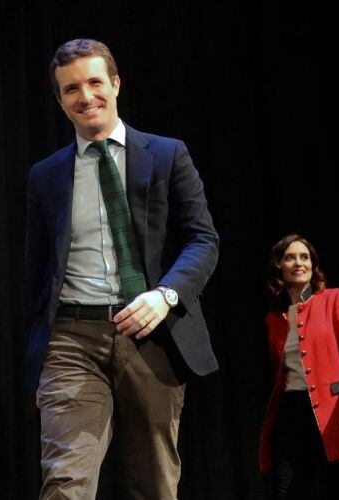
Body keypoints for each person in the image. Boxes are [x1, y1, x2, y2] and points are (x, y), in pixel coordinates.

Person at [23, 38, 219, 499]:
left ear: (115, 83)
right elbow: (35, 275)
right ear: (60, 99)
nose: (85, 96)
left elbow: (203, 239)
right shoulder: (45, 175)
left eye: (94, 82)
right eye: (71, 88)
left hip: (152, 333)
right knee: (66, 481)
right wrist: (38, 363)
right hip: (72, 337)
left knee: (154, 482)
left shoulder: (168, 154)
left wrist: (165, 294)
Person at [257, 234, 339, 499]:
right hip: (292, 413)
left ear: (313, 265)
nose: (298, 263)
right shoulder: (274, 319)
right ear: (279, 266)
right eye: (290, 257)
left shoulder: (335, 299)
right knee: (285, 490)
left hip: (336, 412)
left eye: (304, 257)